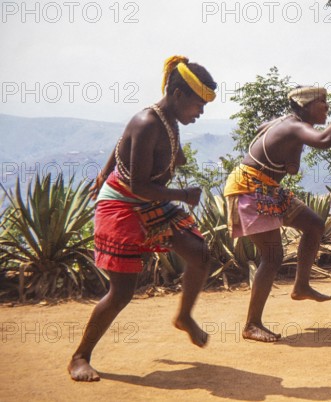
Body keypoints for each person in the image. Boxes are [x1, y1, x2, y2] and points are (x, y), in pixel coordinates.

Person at [68, 56, 216, 381]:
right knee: (122, 292)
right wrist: (183, 195)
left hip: (148, 200)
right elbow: (138, 185)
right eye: (198, 105)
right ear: (178, 94)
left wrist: (105, 170)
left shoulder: (168, 121)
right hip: (122, 203)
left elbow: (122, 142)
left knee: (199, 254)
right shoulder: (148, 121)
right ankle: (80, 357)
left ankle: (184, 318)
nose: (201, 113)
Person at [224, 85, 331, 342]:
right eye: (323, 103)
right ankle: (251, 325)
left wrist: (289, 152)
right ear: (305, 106)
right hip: (249, 189)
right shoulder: (294, 126)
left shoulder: (290, 123)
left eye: (330, 104)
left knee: (314, 225)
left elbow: (263, 126)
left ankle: (301, 286)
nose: (327, 108)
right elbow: (325, 140)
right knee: (273, 257)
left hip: (268, 188)